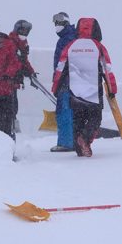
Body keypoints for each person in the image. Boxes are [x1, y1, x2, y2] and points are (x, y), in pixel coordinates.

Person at [51, 17, 117, 157]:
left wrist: (55, 87)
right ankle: (85, 139)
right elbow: (107, 69)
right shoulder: (98, 46)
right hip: (93, 90)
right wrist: (112, 90)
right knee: (95, 118)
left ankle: (78, 147)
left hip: (75, 90)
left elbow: (60, 68)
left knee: (77, 119)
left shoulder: (71, 46)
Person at [50, 12, 78, 152]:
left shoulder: (66, 39)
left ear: (66, 23)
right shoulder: (73, 36)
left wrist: (58, 81)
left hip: (65, 81)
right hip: (75, 82)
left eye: (60, 23)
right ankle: (75, 141)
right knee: (72, 112)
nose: (57, 26)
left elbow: (62, 63)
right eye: (55, 23)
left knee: (64, 112)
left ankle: (66, 143)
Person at [8, 19, 36, 128]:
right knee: (8, 103)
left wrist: (31, 72)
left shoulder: (23, 43)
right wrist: (21, 69)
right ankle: (6, 124)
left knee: (14, 103)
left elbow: (24, 60)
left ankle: (12, 121)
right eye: (23, 30)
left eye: (27, 31)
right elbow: (12, 61)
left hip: (15, 79)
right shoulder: (10, 42)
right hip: (8, 79)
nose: (25, 33)